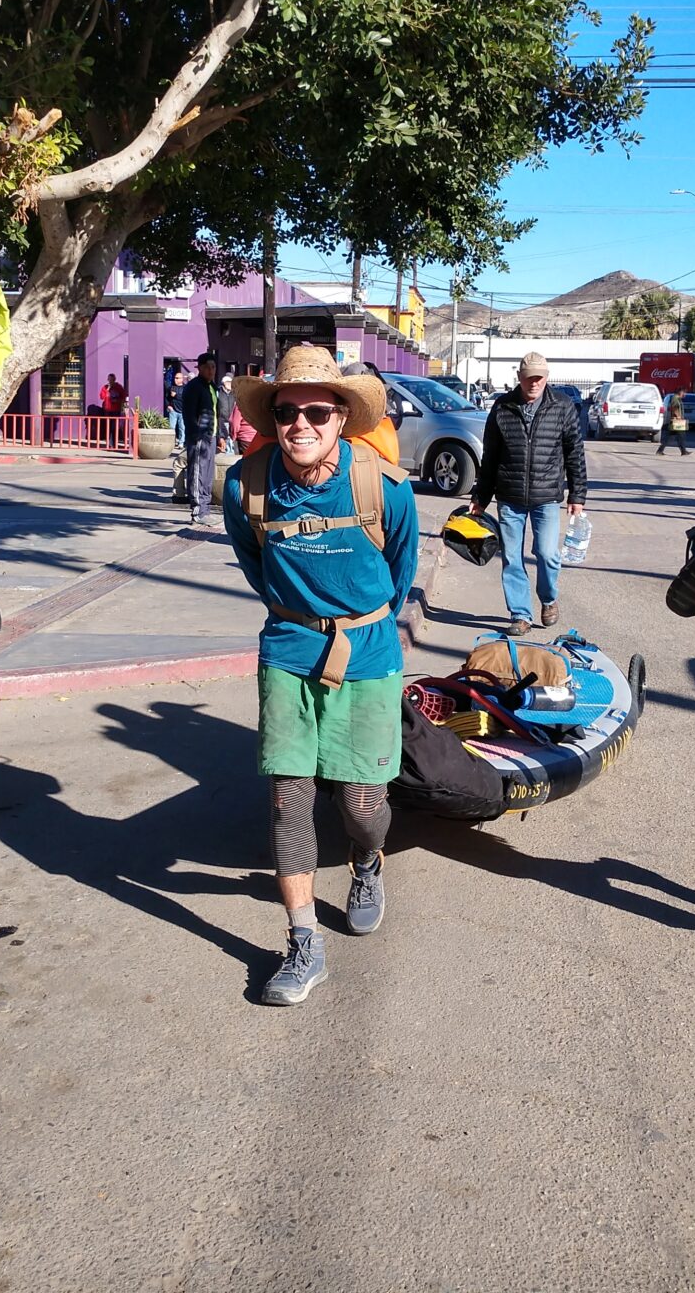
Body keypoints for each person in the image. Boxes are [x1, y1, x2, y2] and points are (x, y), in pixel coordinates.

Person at [222, 346, 417, 1006]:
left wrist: (355, 621)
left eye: (315, 411)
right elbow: (257, 565)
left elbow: (401, 572)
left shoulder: (383, 486)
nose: (299, 424)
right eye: (286, 412)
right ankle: (303, 941)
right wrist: (301, 616)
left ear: (341, 418)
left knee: (364, 810)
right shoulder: (245, 485)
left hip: (367, 653)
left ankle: (367, 863)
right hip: (288, 650)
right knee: (289, 801)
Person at [469, 352, 587, 635]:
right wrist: (481, 497)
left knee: (547, 554)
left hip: (546, 497)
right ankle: (520, 614)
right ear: (519, 378)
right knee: (512, 558)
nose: (534, 383)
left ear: (546, 377)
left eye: (539, 377)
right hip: (509, 497)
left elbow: (574, 452)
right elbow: (490, 457)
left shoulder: (562, 406)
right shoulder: (502, 407)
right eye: (528, 377)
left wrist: (577, 495)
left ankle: (548, 598)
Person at [182, 352, 222, 525]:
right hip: (199, 437)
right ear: (200, 368)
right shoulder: (193, 387)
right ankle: (198, 510)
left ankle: (205, 509)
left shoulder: (212, 387)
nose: (211, 370)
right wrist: (195, 434)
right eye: (207, 367)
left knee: (207, 475)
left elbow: (216, 413)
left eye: (213, 367)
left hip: (210, 436)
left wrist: (220, 435)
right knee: (198, 472)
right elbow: (188, 414)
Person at [659, 392, 691, 456]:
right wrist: (678, 416)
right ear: (681, 392)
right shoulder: (675, 399)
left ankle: (660, 450)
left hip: (676, 421)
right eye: (684, 393)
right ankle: (683, 451)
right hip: (677, 421)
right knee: (681, 436)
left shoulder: (677, 398)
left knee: (673, 437)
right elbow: (674, 408)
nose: (685, 395)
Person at [166, 364, 188, 448]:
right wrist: (168, 406)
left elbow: (186, 398)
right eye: (175, 378)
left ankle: (181, 442)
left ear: (182, 379)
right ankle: (172, 442)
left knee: (182, 428)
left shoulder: (186, 388)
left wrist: (176, 396)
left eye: (177, 378)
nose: (175, 379)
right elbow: (167, 398)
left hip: (182, 411)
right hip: (173, 410)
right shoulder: (171, 387)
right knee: (172, 427)